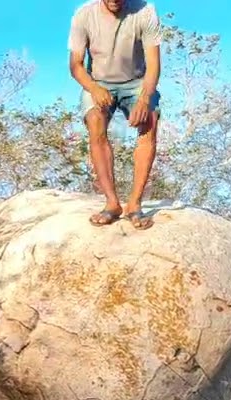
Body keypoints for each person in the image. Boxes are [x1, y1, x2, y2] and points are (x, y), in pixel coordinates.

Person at [68, 0, 162, 230]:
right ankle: (112, 203)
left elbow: (153, 65)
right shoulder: (84, 15)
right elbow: (76, 65)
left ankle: (134, 204)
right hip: (98, 81)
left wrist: (143, 99)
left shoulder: (145, 12)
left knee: (150, 121)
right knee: (95, 122)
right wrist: (94, 88)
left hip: (137, 81)